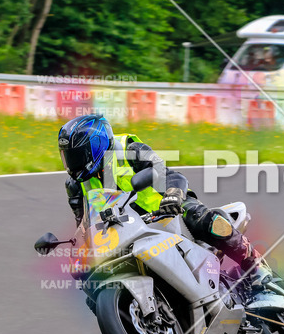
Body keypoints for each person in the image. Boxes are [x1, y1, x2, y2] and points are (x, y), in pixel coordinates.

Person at [58, 114, 269, 294]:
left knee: (199, 216)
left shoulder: (129, 149)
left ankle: (257, 269)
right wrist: (79, 251)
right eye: (67, 156)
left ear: (96, 145)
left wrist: (174, 196)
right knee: (90, 280)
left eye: (76, 155)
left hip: (167, 212)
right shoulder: (76, 185)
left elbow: (169, 175)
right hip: (126, 231)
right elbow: (85, 227)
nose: (72, 162)